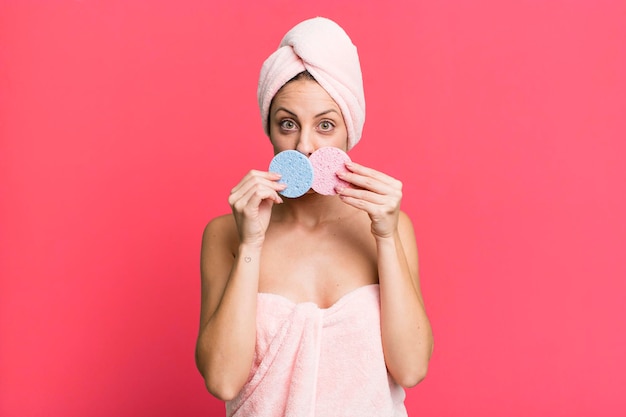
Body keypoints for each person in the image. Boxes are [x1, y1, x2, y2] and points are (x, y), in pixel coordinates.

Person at [195, 17, 433, 417]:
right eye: (287, 124)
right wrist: (251, 242)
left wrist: (387, 237)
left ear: (348, 133)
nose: (305, 145)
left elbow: (410, 369)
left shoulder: (388, 228)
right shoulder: (226, 233)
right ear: (269, 131)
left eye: (325, 125)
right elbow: (222, 380)